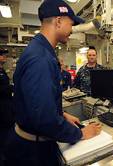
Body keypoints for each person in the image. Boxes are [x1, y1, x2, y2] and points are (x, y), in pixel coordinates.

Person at [4, 0, 101, 165]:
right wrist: (81, 134)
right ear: (58, 22)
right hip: (32, 153)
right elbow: (44, 119)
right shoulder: (41, 59)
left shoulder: (39, 50)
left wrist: (61, 115)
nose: (72, 30)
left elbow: (34, 103)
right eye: (71, 24)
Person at [0, 48, 15, 165]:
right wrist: (14, 87)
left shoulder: (2, 70)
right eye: (2, 55)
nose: (4, 57)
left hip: (7, 109)